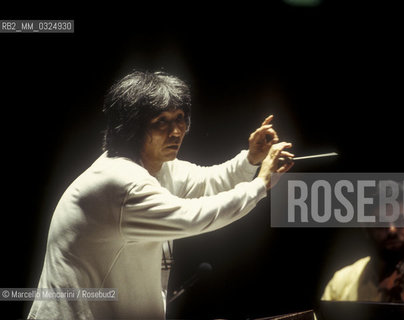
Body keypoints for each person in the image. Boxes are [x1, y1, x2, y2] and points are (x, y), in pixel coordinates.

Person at [28, 70, 294, 319]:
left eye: (180, 118)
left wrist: (250, 160)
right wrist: (260, 185)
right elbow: (193, 217)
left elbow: (210, 181)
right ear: (132, 128)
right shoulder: (120, 182)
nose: (176, 132)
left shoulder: (158, 169)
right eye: (161, 122)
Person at [321, 182, 404, 305]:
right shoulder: (341, 282)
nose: (392, 230)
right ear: (366, 226)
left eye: (400, 221)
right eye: (381, 222)